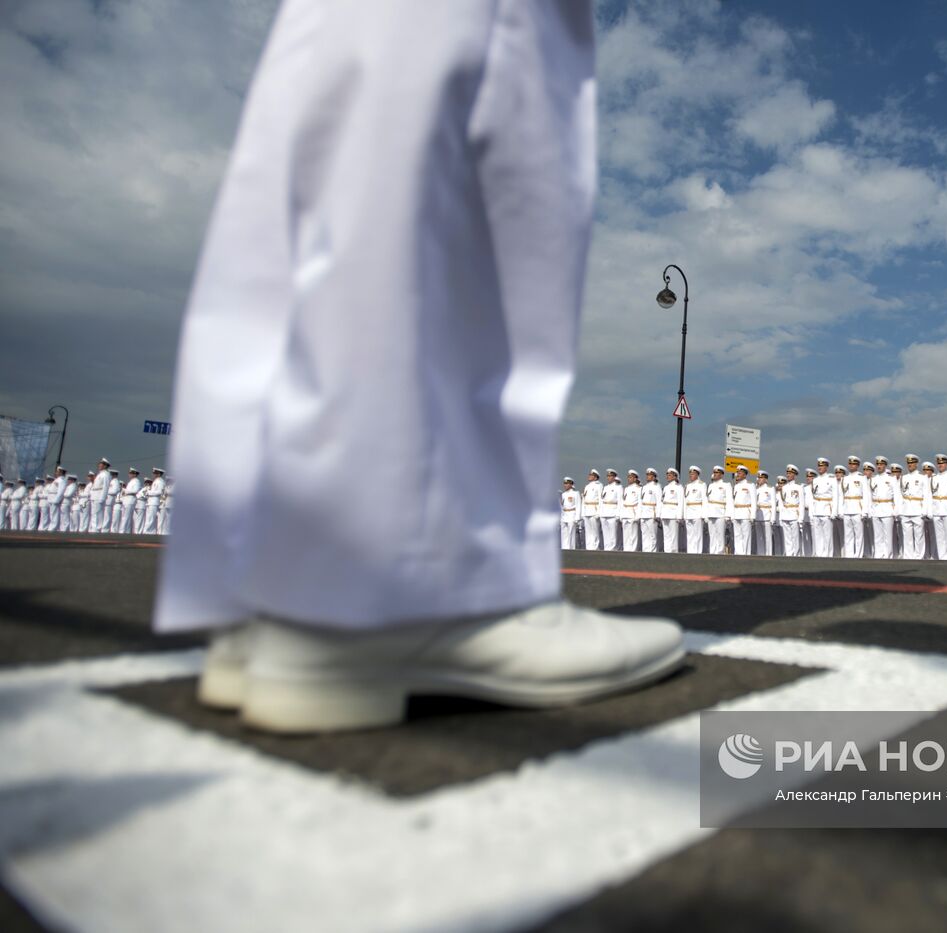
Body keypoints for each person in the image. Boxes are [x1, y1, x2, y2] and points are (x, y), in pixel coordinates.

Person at [156, 0, 681, 734]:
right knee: (506, 44)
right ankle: (411, 581)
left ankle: (274, 580)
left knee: (338, 54)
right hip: (386, 565)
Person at [868, 456, 901, 559]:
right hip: (876, 509)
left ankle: (888, 555)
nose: (879, 466)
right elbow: (869, 496)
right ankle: (878, 555)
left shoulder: (891, 479)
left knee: (887, 536)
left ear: (885, 465)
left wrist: (896, 511)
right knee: (877, 536)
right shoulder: (873, 479)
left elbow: (897, 496)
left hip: (887, 508)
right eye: (878, 464)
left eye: (881, 464)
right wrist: (870, 510)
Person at [808, 457, 840, 558]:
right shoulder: (815, 480)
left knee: (827, 535)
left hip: (827, 509)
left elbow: (835, 497)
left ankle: (828, 554)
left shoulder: (832, 480)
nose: (820, 468)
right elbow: (812, 498)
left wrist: (834, 512)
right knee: (818, 535)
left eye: (822, 466)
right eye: (819, 466)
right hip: (817, 509)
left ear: (826, 467)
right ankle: (819, 553)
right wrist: (811, 512)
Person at [840, 456, 869, 558]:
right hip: (847, 508)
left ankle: (858, 555)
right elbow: (841, 496)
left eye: (853, 464)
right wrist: (841, 510)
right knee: (848, 535)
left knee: (858, 535)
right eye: (850, 464)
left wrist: (865, 511)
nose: (851, 466)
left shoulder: (862, 478)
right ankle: (849, 555)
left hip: (857, 508)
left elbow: (866, 495)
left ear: (857, 466)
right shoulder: (844, 479)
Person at [779, 465, 806, 557]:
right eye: (787, 473)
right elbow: (781, 504)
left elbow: (801, 504)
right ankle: (789, 554)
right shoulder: (784, 488)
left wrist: (801, 518)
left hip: (794, 514)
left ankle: (796, 554)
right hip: (786, 514)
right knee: (787, 537)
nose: (788, 475)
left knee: (795, 537)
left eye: (790, 473)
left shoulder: (799, 487)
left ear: (795, 475)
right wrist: (781, 517)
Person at [704, 466, 731, 555]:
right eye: (714, 473)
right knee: (712, 535)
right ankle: (712, 552)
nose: (715, 474)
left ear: (722, 475)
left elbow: (729, 501)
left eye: (717, 473)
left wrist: (728, 515)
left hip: (720, 513)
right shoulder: (710, 486)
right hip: (711, 512)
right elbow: (707, 500)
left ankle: (720, 552)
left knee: (720, 535)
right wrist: (706, 514)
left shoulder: (726, 485)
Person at [730, 465, 755, 556]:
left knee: (746, 535)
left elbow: (753, 501)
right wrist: (732, 515)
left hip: (745, 512)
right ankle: (738, 553)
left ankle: (746, 554)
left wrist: (752, 515)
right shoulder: (736, 486)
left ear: (745, 475)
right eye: (737, 473)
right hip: (737, 512)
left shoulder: (750, 485)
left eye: (740, 473)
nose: (738, 474)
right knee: (737, 535)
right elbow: (733, 501)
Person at [658, 468, 684, 553]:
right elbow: (662, 501)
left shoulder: (679, 487)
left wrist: (679, 516)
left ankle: (673, 552)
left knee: (673, 536)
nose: (667, 477)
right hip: (665, 513)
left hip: (673, 514)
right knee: (666, 535)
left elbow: (681, 502)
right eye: (667, 475)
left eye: (669, 475)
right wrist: (660, 514)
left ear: (675, 476)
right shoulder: (665, 488)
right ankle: (667, 551)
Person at [683, 466, 706, 553]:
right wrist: (684, 515)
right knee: (690, 534)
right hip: (689, 512)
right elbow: (685, 501)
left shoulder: (702, 484)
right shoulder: (687, 485)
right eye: (690, 474)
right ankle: (690, 552)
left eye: (693, 474)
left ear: (697, 474)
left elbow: (704, 500)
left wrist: (703, 514)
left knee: (697, 534)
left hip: (697, 511)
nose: (691, 475)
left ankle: (698, 552)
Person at [599, 469, 622, 551]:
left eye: (610, 476)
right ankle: (607, 548)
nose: (608, 478)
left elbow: (620, 501)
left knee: (613, 534)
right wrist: (600, 513)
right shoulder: (605, 487)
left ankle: (613, 549)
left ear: (614, 477)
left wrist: (618, 514)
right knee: (606, 534)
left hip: (613, 512)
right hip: (604, 512)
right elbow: (601, 501)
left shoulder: (618, 487)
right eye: (608, 476)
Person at [638, 468, 661, 553]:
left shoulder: (656, 487)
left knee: (652, 535)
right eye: (647, 475)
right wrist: (639, 514)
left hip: (652, 513)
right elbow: (641, 501)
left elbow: (659, 502)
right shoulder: (644, 487)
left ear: (654, 477)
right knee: (644, 534)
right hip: (644, 513)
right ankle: (645, 550)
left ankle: (653, 551)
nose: (647, 476)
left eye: (650, 475)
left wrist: (658, 515)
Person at [754, 469, 776, 555]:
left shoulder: (770, 489)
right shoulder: (756, 489)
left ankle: (768, 554)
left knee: (767, 537)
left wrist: (773, 518)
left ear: (765, 479)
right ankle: (760, 553)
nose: (759, 479)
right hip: (758, 514)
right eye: (758, 478)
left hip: (767, 515)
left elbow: (773, 504)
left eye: (761, 478)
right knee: (759, 537)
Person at [580, 469, 603, 550]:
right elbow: (584, 500)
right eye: (589, 475)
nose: (589, 476)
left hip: (594, 510)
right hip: (587, 510)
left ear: (595, 477)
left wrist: (599, 512)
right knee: (588, 531)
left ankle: (595, 547)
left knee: (595, 531)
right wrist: (582, 513)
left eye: (591, 475)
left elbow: (601, 500)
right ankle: (589, 546)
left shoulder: (599, 485)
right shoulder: (587, 486)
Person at [620, 470, 642, 552]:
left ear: (635, 478)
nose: (629, 479)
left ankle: (633, 550)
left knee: (633, 534)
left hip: (633, 512)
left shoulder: (639, 489)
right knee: (626, 534)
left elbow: (640, 503)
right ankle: (626, 549)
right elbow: (623, 502)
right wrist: (621, 515)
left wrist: (637, 515)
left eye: (631, 477)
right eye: (628, 477)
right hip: (625, 512)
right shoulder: (626, 489)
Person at [559, 477, 580, 549]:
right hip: (564, 515)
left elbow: (578, 505)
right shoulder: (563, 494)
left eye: (567, 484)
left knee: (571, 533)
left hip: (572, 514)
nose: (565, 485)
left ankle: (571, 548)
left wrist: (577, 517)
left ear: (571, 484)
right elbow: (562, 506)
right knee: (564, 533)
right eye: (564, 483)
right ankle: (564, 547)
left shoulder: (575, 493)